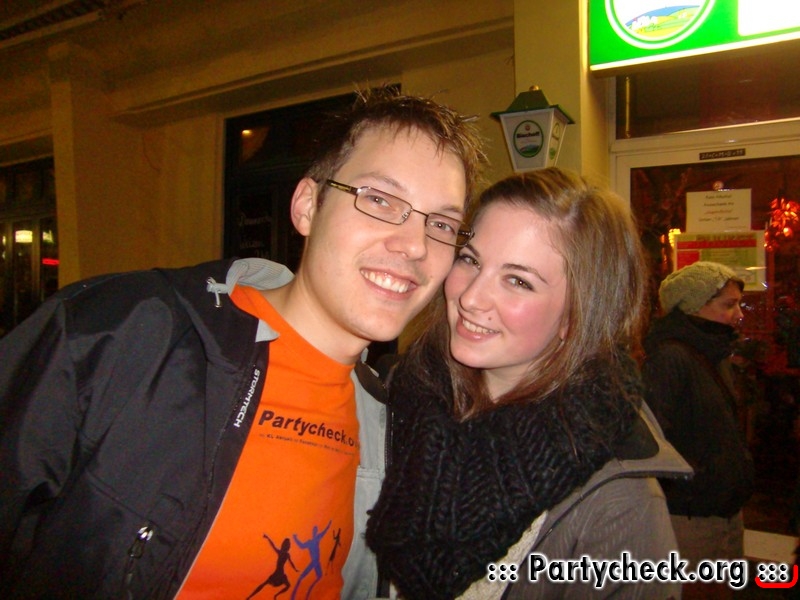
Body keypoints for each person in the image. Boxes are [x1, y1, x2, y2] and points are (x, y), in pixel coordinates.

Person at [0, 87, 487, 599]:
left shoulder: (394, 427)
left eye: (441, 224)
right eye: (380, 200)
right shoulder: (121, 335)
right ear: (307, 206)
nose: (414, 245)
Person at [366, 168, 691, 599]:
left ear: (577, 314)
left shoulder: (620, 504)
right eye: (470, 260)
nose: (470, 297)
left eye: (518, 281)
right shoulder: (398, 398)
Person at [641, 261, 754, 600]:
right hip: (690, 517)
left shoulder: (714, 353)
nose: (738, 315)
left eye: (738, 304)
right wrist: (694, 481)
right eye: (728, 305)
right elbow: (652, 438)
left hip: (723, 510)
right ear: (694, 305)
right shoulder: (669, 358)